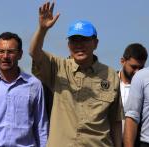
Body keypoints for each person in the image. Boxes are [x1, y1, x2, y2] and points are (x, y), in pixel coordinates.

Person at [29, 2, 123, 147]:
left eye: (84, 39)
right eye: (74, 40)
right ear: (68, 45)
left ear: (95, 43)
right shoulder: (58, 67)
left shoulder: (110, 75)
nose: (79, 45)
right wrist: (42, 29)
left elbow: (115, 120)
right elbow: (34, 53)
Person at [0, 32, 48, 146]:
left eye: (10, 52)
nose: (5, 56)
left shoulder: (34, 85)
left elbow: (41, 127)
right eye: (1, 51)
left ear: (20, 54)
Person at [119, 43, 148, 145]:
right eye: (133, 67)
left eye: (141, 68)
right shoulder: (109, 83)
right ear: (122, 61)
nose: (137, 72)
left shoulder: (147, 88)